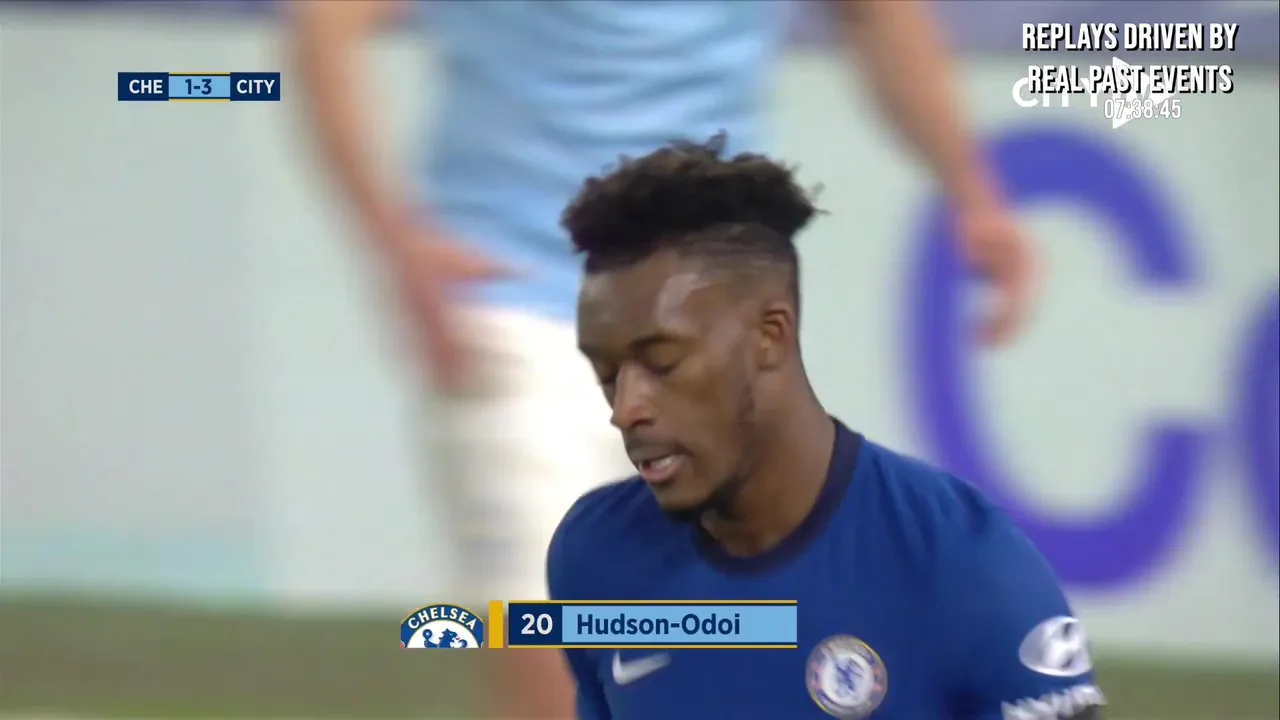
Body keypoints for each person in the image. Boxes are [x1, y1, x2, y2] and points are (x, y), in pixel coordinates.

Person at [289, 1, 1038, 716]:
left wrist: (973, 194)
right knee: (556, 655)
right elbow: (325, 22)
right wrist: (395, 240)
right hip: (513, 302)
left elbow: (876, 13)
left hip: (714, 329)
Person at [551, 137, 1103, 719]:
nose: (626, 408)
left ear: (771, 335)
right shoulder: (594, 555)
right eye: (607, 373)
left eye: (663, 362)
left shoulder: (963, 564)